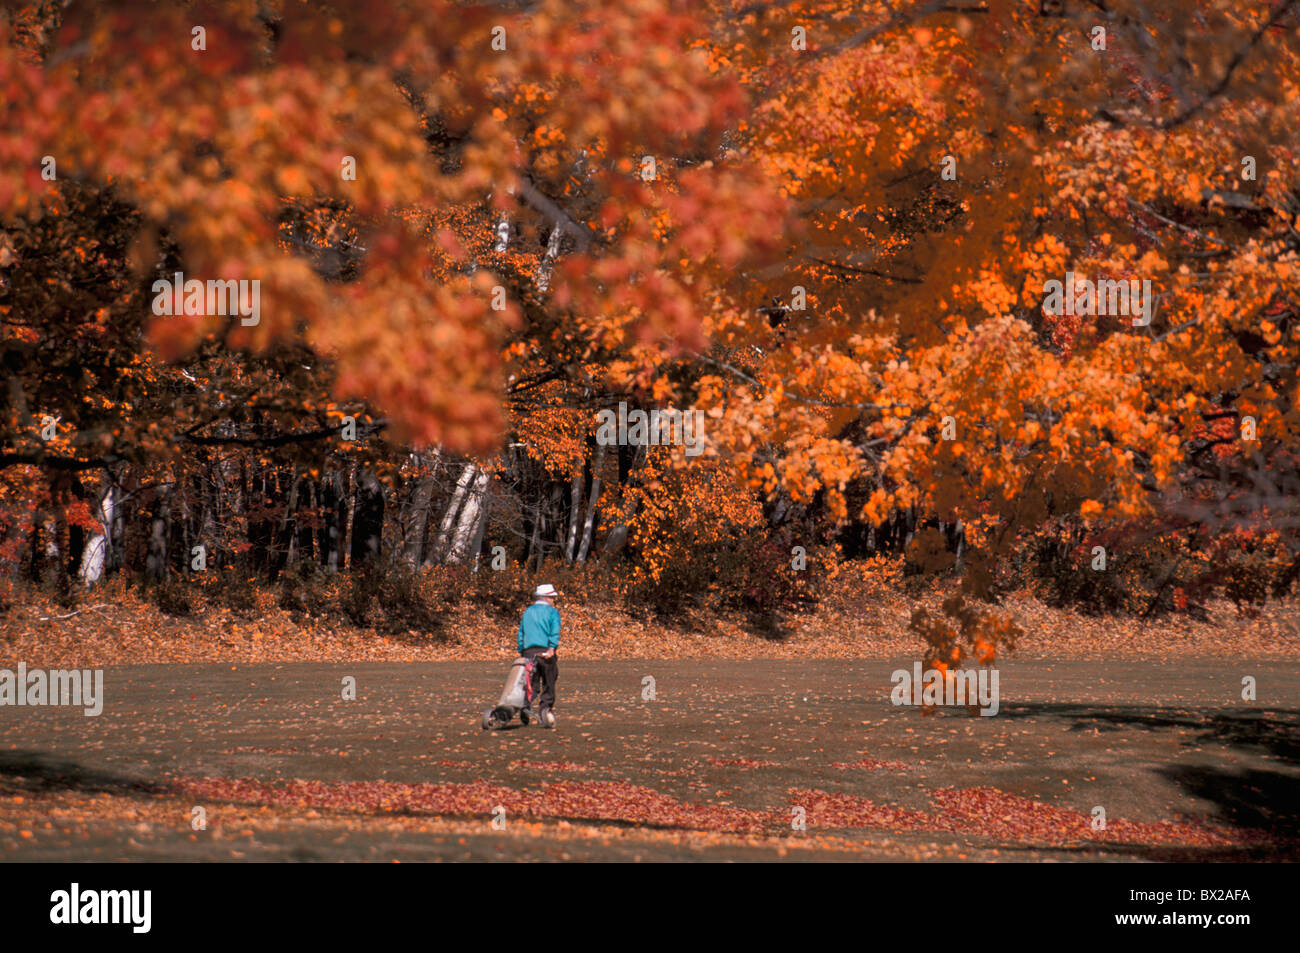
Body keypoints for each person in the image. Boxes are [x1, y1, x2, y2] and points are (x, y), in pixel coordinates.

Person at [517, 583, 561, 728]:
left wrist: (522, 650)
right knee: (549, 681)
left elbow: (521, 633)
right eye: (552, 597)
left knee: (532, 684)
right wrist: (551, 648)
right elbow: (554, 631)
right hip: (545, 652)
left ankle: (525, 705)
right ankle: (545, 709)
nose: (553, 600)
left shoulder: (528, 612)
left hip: (529, 652)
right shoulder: (553, 613)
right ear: (547, 597)